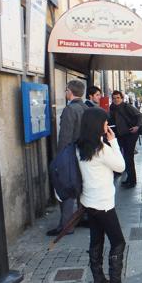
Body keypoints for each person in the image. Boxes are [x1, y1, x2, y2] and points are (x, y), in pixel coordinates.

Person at [76, 107, 136, 283]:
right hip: (103, 203)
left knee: (96, 239)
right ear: (97, 125)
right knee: (118, 241)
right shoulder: (101, 149)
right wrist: (113, 141)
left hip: (88, 201)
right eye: (104, 121)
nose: (107, 124)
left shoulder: (80, 146)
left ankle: (98, 280)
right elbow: (121, 166)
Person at [47, 80, 88, 237]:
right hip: (84, 154)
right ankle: (82, 217)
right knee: (79, 187)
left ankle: (66, 225)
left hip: (71, 154)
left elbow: (65, 137)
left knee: (66, 188)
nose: (65, 93)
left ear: (70, 92)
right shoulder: (86, 107)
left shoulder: (70, 109)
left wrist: (59, 159)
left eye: (66, 90)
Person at [109, 90, 142, 189]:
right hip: (121, 135)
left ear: (122, 98)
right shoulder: (112, 108)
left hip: (130, 134)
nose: (116, 100)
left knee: (129, 157)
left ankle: (132, 181)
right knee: (126, 157)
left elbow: (140, 115)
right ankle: (129, 179)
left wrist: (137, 126)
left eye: (118, 98)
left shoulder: (127, 106)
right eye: (114, 98)